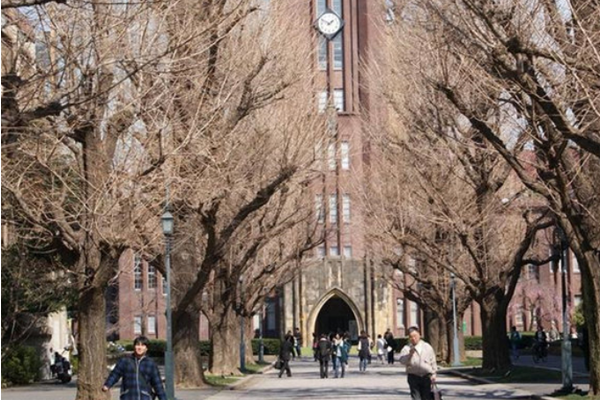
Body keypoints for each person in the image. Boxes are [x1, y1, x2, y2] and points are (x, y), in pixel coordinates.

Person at [102, 335, 167, 400]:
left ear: (146, 348)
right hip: (128, 396)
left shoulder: (150, 364)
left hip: (145, 397)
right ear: (134, 346)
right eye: (138, 345)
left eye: (143, 345)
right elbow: (115, 374)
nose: (140, 347)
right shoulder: (125, 361)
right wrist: (107, 385)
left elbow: (157, 384)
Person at [398, 326, 437, 400]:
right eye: (411, 337)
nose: (413, 338)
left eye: (415, 336)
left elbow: (433, 361)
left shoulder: (427, 346)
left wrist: (434, 374)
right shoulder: (406, 348)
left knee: (426, 397)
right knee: (416, 398)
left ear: (419, 335)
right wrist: (409, 355)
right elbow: (402, 361)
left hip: (426, 376)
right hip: (413, 376)